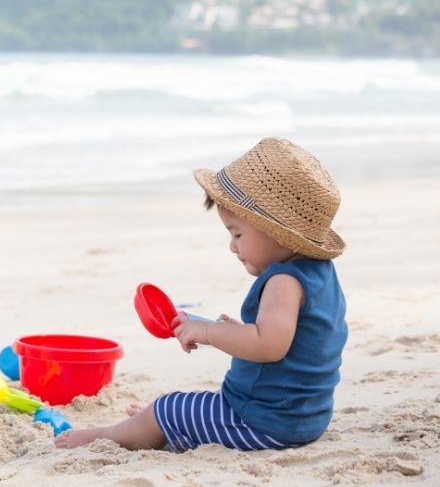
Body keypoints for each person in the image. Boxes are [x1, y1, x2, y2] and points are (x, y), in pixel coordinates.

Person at [55, 137, 347, 452]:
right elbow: (291, 342)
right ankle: (164, 425)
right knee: (178, 411)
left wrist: (210, 331)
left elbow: (269, 345)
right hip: (302, 419)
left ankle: (111, 435)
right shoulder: (319, 273)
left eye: (238, 234)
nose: (232, 246)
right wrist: (234, 331)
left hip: (264, 423)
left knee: (166, 407)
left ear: (276, 231)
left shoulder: (283, 282)